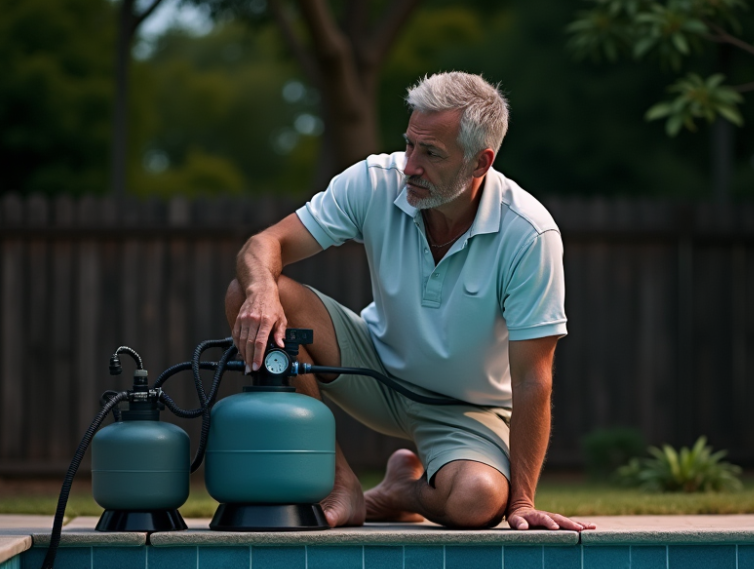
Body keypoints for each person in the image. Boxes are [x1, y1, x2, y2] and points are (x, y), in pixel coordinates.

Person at [225, 71, 593, 532]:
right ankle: (340, 485)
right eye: (410, 145)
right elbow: (264, 244)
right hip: (374, 368)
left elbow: (533, 379)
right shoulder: (375, 181)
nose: (410, 166)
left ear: (480, 163)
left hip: (468, 409)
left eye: (432, 153)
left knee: (477, 502)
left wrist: (521, 503)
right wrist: (261, 292)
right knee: (248, 290)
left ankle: (401, 491)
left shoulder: (529, 234)